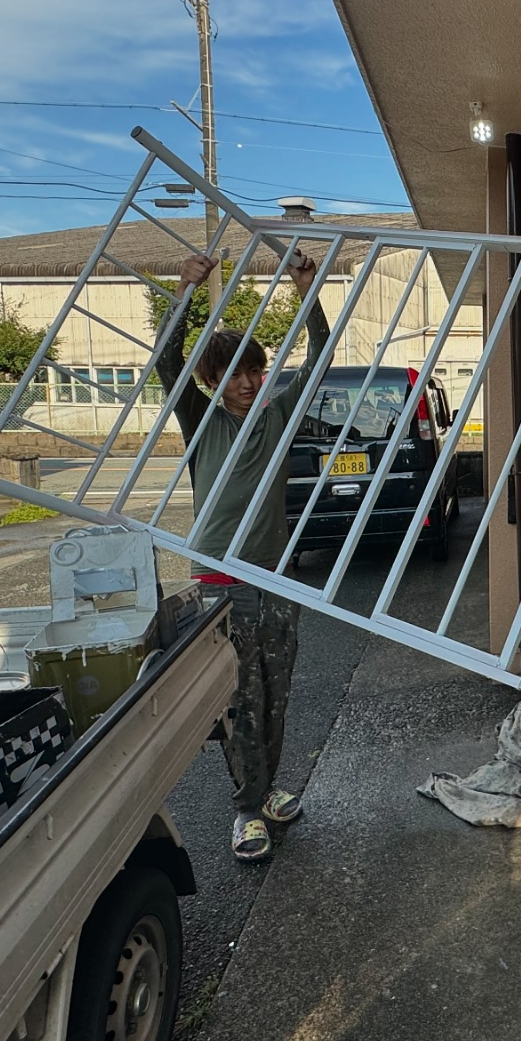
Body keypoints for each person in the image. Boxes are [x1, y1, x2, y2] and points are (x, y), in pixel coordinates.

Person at [156, 250, 331, 862]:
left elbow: (320, 358)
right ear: (212, 382)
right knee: (236, 701)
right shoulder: (202, 420)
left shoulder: (277, 415)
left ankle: (269, 788)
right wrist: (184, 289)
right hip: (219, 580)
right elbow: (165, 363)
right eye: (234, 374)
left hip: (274, 578)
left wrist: (306, 290)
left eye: (255, 370)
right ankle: (244, 810)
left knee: (275, 692)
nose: (249, 382)